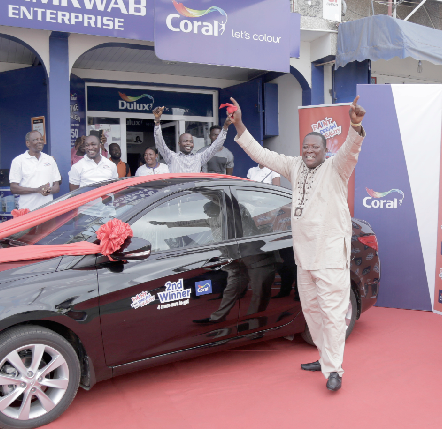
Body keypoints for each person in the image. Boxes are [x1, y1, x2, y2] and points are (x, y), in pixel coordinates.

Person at [227, 96, 366, 392]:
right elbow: (262, 155)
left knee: (332, 313)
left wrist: (355, 126)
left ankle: (334, 369)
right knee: (312, 312)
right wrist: (239, 125)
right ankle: (324, 355)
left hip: (329, 257)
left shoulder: (336, 168)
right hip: (304, 257)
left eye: (315, 147)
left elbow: (351, 151)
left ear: (326, 150)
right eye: (305, 147)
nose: (309, 151)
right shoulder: (294, 166)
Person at [152, 107, 231, 173]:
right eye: (185, 141)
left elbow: (216, 146)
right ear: (179, 143)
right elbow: (160, 143)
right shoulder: (172, 157)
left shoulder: (199, 158)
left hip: (193, 192)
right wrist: (157, 121)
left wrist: (225, 126)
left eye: (191, 141)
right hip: (177, 191)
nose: (188, 143)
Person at [9, 130, 62, 211]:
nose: (39, 141)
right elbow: (14, 188)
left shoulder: (49, 159)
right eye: (35, 140)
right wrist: (37, 190)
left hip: (48, 210)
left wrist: (48, 190)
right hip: (27, 210)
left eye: (41, 139)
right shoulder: (18, 161)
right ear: (28, 143)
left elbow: (57, 187)